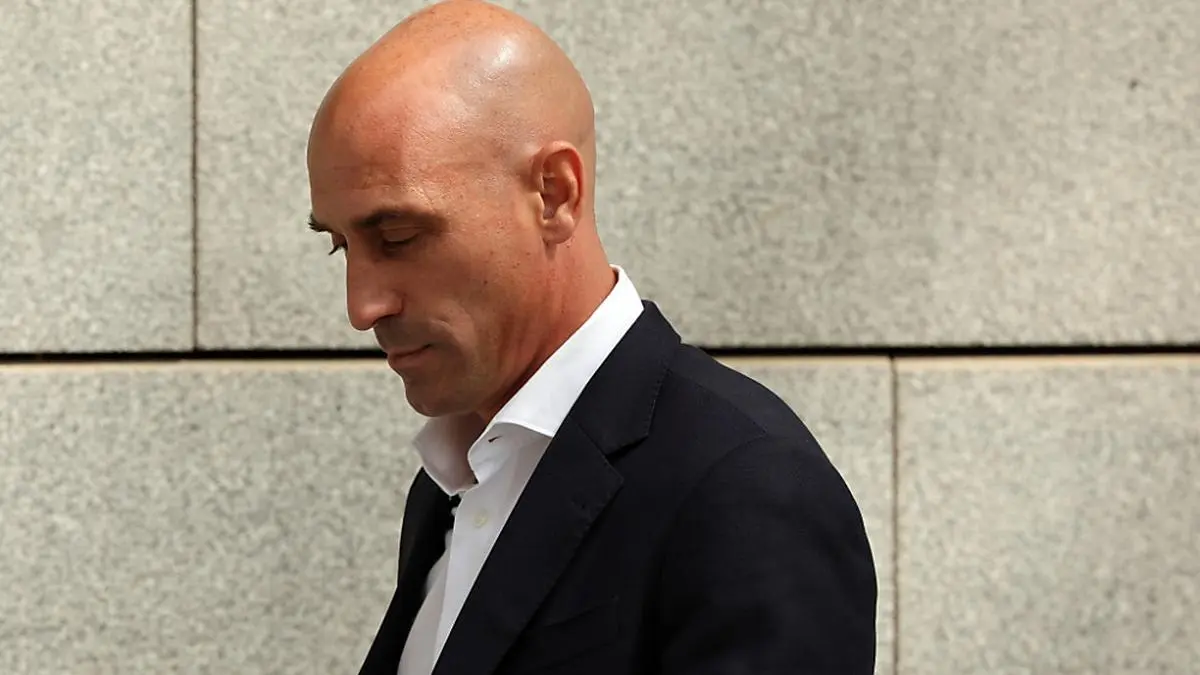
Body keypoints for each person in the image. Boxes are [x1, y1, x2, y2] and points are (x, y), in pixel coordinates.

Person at [305, 1, 877, 673]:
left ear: (554, 193)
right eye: (341, 246)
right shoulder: (455, 481)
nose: (362, 306)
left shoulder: (748, 492)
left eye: (398, 236)